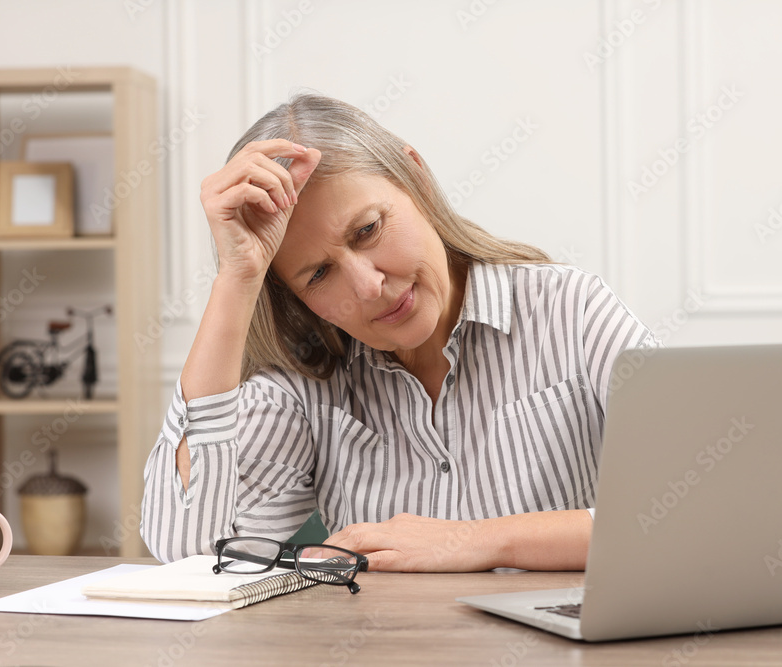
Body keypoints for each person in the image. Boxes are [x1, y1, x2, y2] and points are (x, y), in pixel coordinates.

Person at [140, 93, 659, 571]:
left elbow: (701, 507)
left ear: (417, 180)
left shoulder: (572, 311)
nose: (368, 288)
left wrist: (480, 540)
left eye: (367, 230)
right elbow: (190, 552)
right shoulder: (303, 382)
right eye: (318, 274)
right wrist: (237, 277)